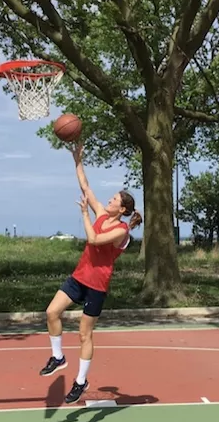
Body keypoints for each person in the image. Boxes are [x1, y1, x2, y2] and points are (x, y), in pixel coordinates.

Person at [40, 141, 143, 404]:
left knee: (85, 334)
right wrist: (77, 159)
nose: (108, 199)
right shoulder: (100, 212)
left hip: (97, 284)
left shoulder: (121, 231)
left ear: (121, 209)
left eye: (114, 199)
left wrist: (84, 214)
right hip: (79, 276)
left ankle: (81, 381)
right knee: (52, 312)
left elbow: (95, 240)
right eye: (109, 197)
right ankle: (58, 357)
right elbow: (85, 186)